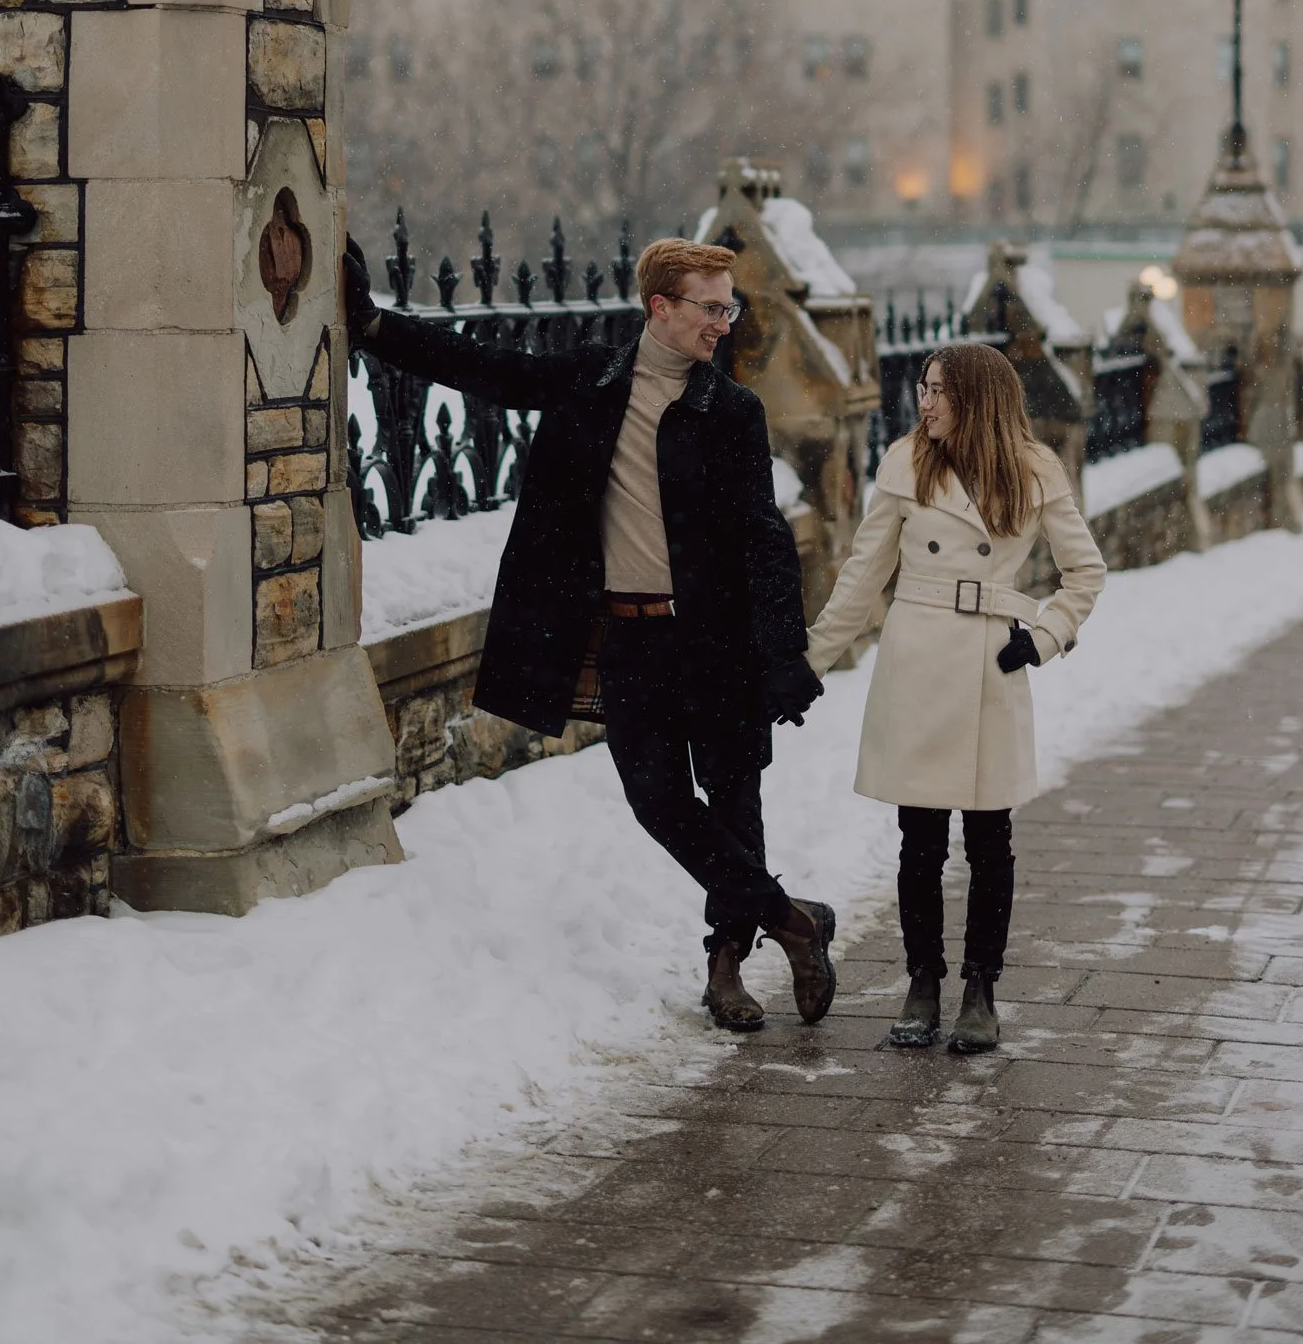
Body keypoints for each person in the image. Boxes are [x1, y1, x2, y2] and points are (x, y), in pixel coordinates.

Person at [343, 232, 836, 1033]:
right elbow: (486, 368)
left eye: (731, 306)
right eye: (712, 308)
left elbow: (764, 540)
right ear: (662, 308)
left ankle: (725, 968)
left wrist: (783, 654)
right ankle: (797, 923)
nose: (725, 322)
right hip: (631, 643)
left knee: (735, 801)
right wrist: (372, 326)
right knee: (658, 802)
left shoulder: (733, 411)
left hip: (715, 644)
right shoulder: (591, 381)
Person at [805, 343, 1105, 1054]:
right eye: (923, 386)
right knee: (920, 839)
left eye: (939, 389)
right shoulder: (906, 464)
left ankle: (980, 989)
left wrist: (1043, 637)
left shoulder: (1033, 469)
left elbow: (1084, 572)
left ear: (976, 397)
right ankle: (921, 983)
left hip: (989, 664)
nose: (925, 402)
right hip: (918, 660)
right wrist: (809, 661)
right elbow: (862, 573)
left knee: (989, 838)